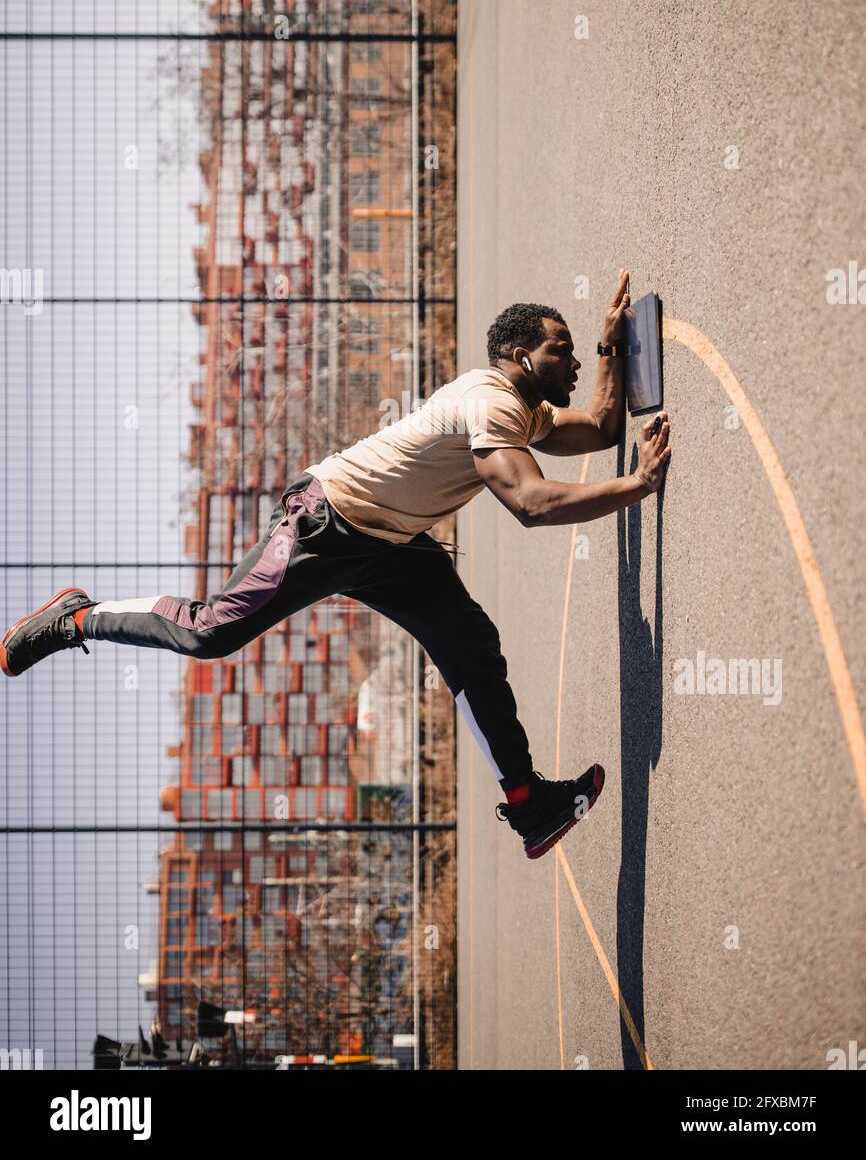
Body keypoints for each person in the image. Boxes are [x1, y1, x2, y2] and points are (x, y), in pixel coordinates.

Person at [0, 269, 671, 859]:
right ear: (521, 356)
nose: (575, 357)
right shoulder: (493, 403)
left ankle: (528, 803)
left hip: (393, 542)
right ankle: (76, 619)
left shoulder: (524, 408)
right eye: (565, 349)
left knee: (470, 644)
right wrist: (636, 485)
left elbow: (605, 427)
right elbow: (530, 502)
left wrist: (613, 345)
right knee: (209, 633)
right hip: (327, 521)